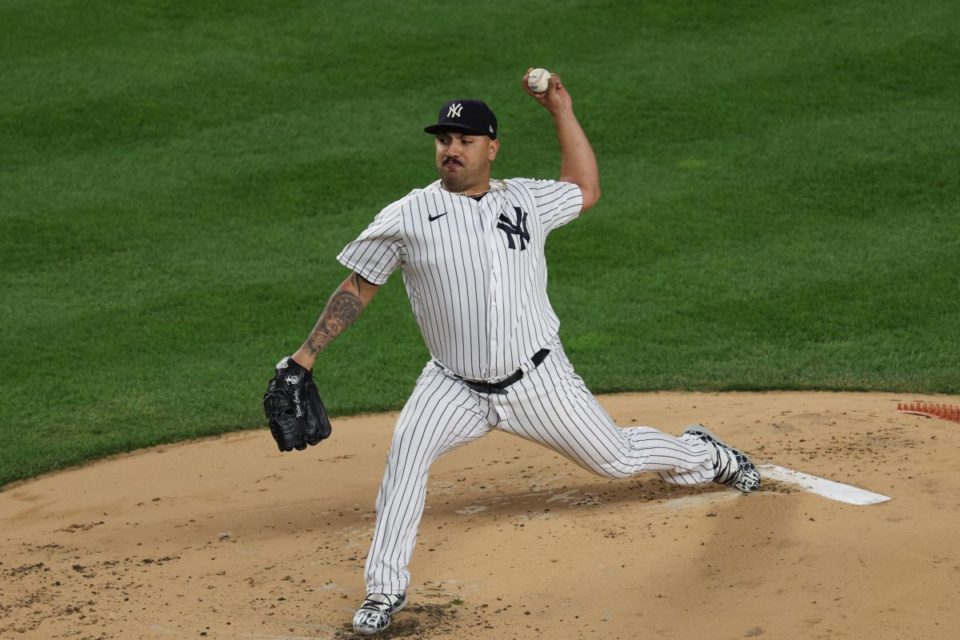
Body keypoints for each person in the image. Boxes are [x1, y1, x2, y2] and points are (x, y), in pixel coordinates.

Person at [276, 70, 761, 636]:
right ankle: (383, 593)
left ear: (491, 148)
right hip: (451, 385)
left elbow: (585, 189)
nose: (451, 150)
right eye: (443, 140)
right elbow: (358, 286)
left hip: (538, 379)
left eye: (464, 141)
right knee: (405, 458)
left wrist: (561, 110)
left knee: (617, 459)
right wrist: (304, 357)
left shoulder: (525, 200)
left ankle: (703, 455)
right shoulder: (408, 214)